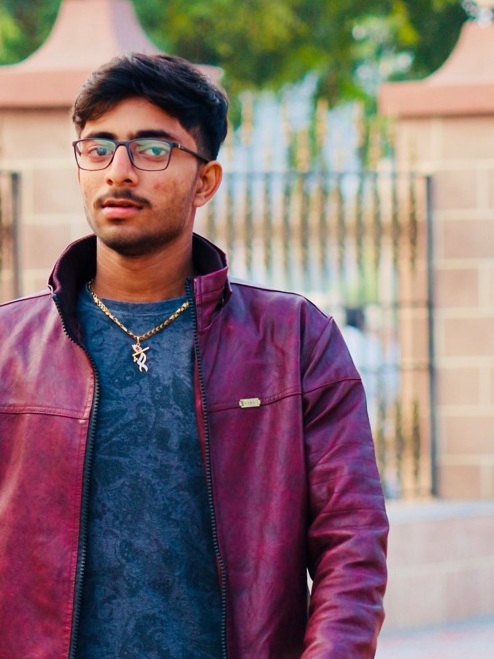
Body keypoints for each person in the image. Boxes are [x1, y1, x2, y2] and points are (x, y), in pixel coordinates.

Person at [0, 53, 388, 658]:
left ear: (205, 181)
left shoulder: (293, 340)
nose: (119, 172)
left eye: (152, 149)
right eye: (99, 148)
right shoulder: (9, 349)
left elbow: (352, 542)